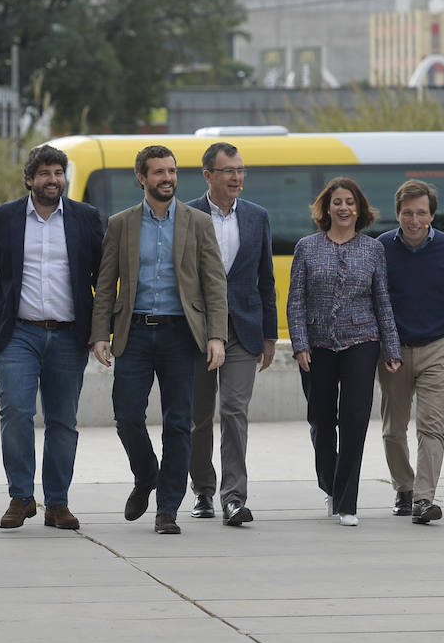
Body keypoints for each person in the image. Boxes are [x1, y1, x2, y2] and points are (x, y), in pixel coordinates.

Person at [0, 145, 103, 531]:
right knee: (16, 413)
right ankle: (21, 497)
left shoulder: (86, 218)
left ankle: (57, 503)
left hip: (69, 335)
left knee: (63, 421)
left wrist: (101, 330)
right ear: (29, 179)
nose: (52, 180)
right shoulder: (4, 217)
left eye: (58, 172)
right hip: (18, 333)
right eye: (44, 173)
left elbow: (103, 280)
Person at [90, 145, 229, 535]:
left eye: (171, 171)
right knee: (127, 417)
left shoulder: (198, 222)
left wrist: (216, 335)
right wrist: (100, 333)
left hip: (181, 335)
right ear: (142, 178)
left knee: (179, 423)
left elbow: (214, 284)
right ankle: (146, 473)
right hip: (133, 331)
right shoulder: (121, 224)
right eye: (158, 172)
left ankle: (168, 507)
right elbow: (105, 284)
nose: (167, 178)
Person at [289, 176, 401, 527]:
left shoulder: (373, 250)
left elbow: (382, 300)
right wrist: (300, 345)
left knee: (354, 419)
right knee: (321, 420)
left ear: (359, 209)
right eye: (337, 201)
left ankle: (347, 501)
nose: (344, 208)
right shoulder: (306, 247)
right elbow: (295, 302)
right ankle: (330, 483)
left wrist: (391, 347)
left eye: (350, 202)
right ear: (326, 207)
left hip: (362, 342)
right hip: (318, 346)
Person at [376, 180, 444, 524]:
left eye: (421, 213)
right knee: (393, 429)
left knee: (431, 428)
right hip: (393, 351)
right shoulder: (381, 248)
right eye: (408, 213)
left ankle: (423, 498)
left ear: (432, 215)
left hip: (437, 347)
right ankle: (403, 487)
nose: (414, 220)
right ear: (398, 214)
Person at [186, 142, 277, 527]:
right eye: (228, 171)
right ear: (209, 175)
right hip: (197, 330)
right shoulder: (186, 215)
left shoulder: (258, 216)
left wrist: (270, 335)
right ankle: (203, 490)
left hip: (243, 330)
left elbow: (265, 279)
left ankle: (234, 498)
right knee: (198, 417)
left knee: (234, 410)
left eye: (240, 170)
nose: (237, 177)